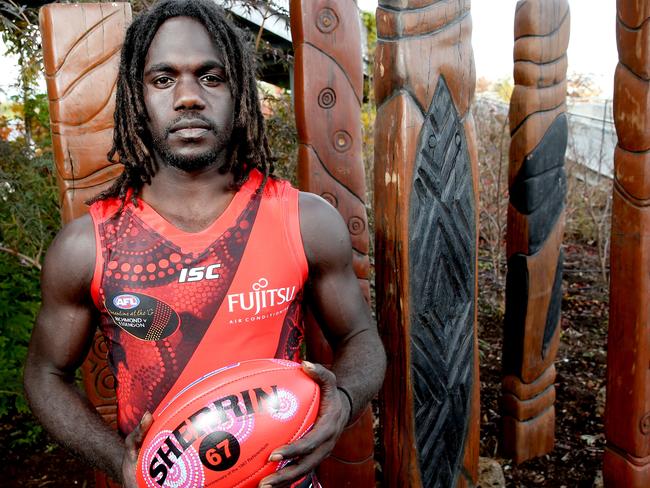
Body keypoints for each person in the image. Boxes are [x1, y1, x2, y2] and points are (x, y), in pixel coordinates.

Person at [23, 1, 386, 487]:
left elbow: (361, 338)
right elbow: (44, 374)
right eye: (164, 79)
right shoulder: (87, 245)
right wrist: (118, 460)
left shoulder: (303, 221)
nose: (189, 97)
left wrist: (341, 401)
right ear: (137, 95)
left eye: (211, 77)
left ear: (239, 93)